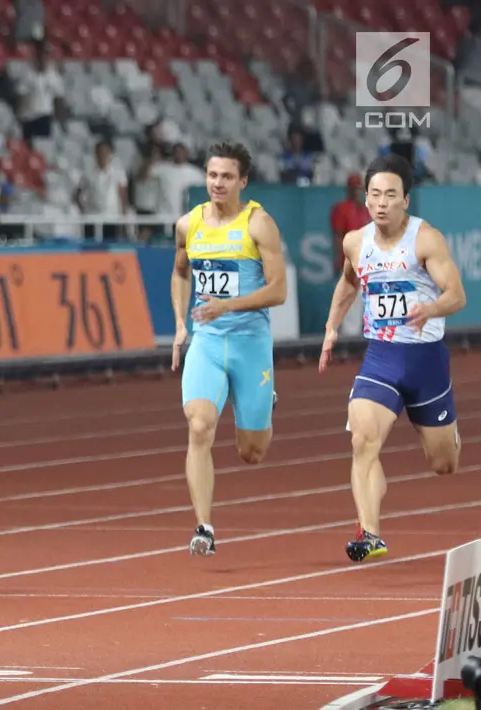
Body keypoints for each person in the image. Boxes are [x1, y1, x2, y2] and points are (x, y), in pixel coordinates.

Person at [319, 154, 465, 563]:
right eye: (375, 194)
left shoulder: (426, 239)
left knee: (443, 464)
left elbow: (456, 294)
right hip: (381, 358)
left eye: (391, 195)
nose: (382, 202)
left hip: (426, 362)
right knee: (363, 439)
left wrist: (431, 310)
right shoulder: (355, 241)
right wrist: (332, 327)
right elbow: (349, 284)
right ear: (366, 199)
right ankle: (370, 534)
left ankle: (449, 435)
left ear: (406, 200)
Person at [170, 140, 287, 557]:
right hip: (206, 342)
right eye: (212, 175)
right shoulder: (189, 225)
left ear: (243, 181)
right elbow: (181, 272)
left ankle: (262, 399)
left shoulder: (259, 225)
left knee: (251, 453)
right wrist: (182, 323)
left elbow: (278, 291)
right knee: (199, 426)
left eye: (226, 177)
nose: (217, 183)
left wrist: (227, 305)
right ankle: (204, 527)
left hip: (249, 343)